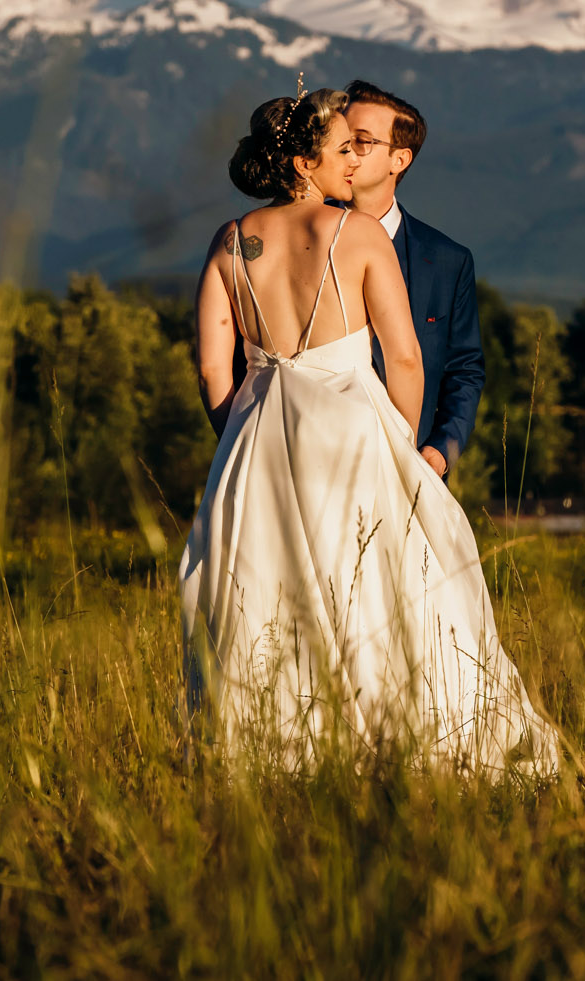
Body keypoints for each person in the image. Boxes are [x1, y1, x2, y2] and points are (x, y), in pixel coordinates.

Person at [179, 86, 556, 772]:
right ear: (302, 161)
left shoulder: (232, 240)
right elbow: (406, 355)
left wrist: (238, 434)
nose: (351, 163)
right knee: (379, 589)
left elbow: (212, 365)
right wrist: (401, 444)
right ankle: (388, 736)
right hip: (355, 435)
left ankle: (277, 745)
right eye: (339, 150)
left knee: (270, 593)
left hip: (260, 438)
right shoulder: (355, 235)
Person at [340, 81, 483, 483]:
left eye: (362, 141)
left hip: (408, 468)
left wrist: (439, 451)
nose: (346, 151)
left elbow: (464, 369)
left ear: (399, 159)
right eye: (341, 139)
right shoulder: (300, 239)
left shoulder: (447, 260)